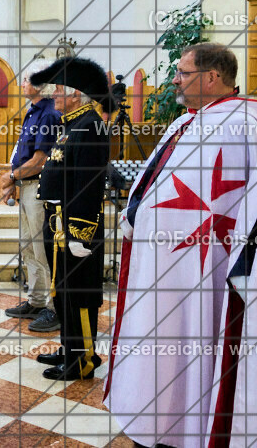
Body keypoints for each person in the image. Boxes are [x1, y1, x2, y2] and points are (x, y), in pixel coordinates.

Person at [105, 43, 257, 448]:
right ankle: (153, 420)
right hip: (160, 265)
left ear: (211, 77)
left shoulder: (245, 123)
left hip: (203, 267)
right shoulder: (186, 121)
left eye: (182, 72)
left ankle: (188, 429)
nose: (174, 80)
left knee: (196, 344)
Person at [30, 56, 111, 381]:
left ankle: (84, 359)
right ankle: (70, 348)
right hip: (58, 221)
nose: (55, 96)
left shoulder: (91, 126)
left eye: (60, 90)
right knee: (62, 289)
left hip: (75, 227)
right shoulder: (73, 124)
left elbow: (88, 185)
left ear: (77, 93)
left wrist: (80, 234)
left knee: (79, 292)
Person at [0, 59, 62, 332]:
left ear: (39, 85)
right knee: (28, 246)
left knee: (42, 249)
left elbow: (39, 160)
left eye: (26, 80)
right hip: (25, 186)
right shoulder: (34, 110)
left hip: (38, 188)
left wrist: (12, 177)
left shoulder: (48, 113)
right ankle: (36, 300)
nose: (22, 84)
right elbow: (22, 152)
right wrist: (13, 179)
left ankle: (53, 308)